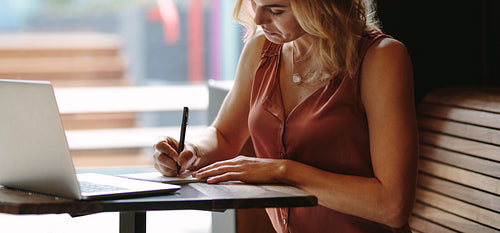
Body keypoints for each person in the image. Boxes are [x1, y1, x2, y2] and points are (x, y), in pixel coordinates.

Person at [153, 0, 418, 232]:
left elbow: (392, 207)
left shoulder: (381, 58)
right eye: (255, 4)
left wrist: (283, 171)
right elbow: (223, 135)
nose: (257, 19)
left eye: (276, 10)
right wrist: (190, 151)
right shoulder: (261, 48)